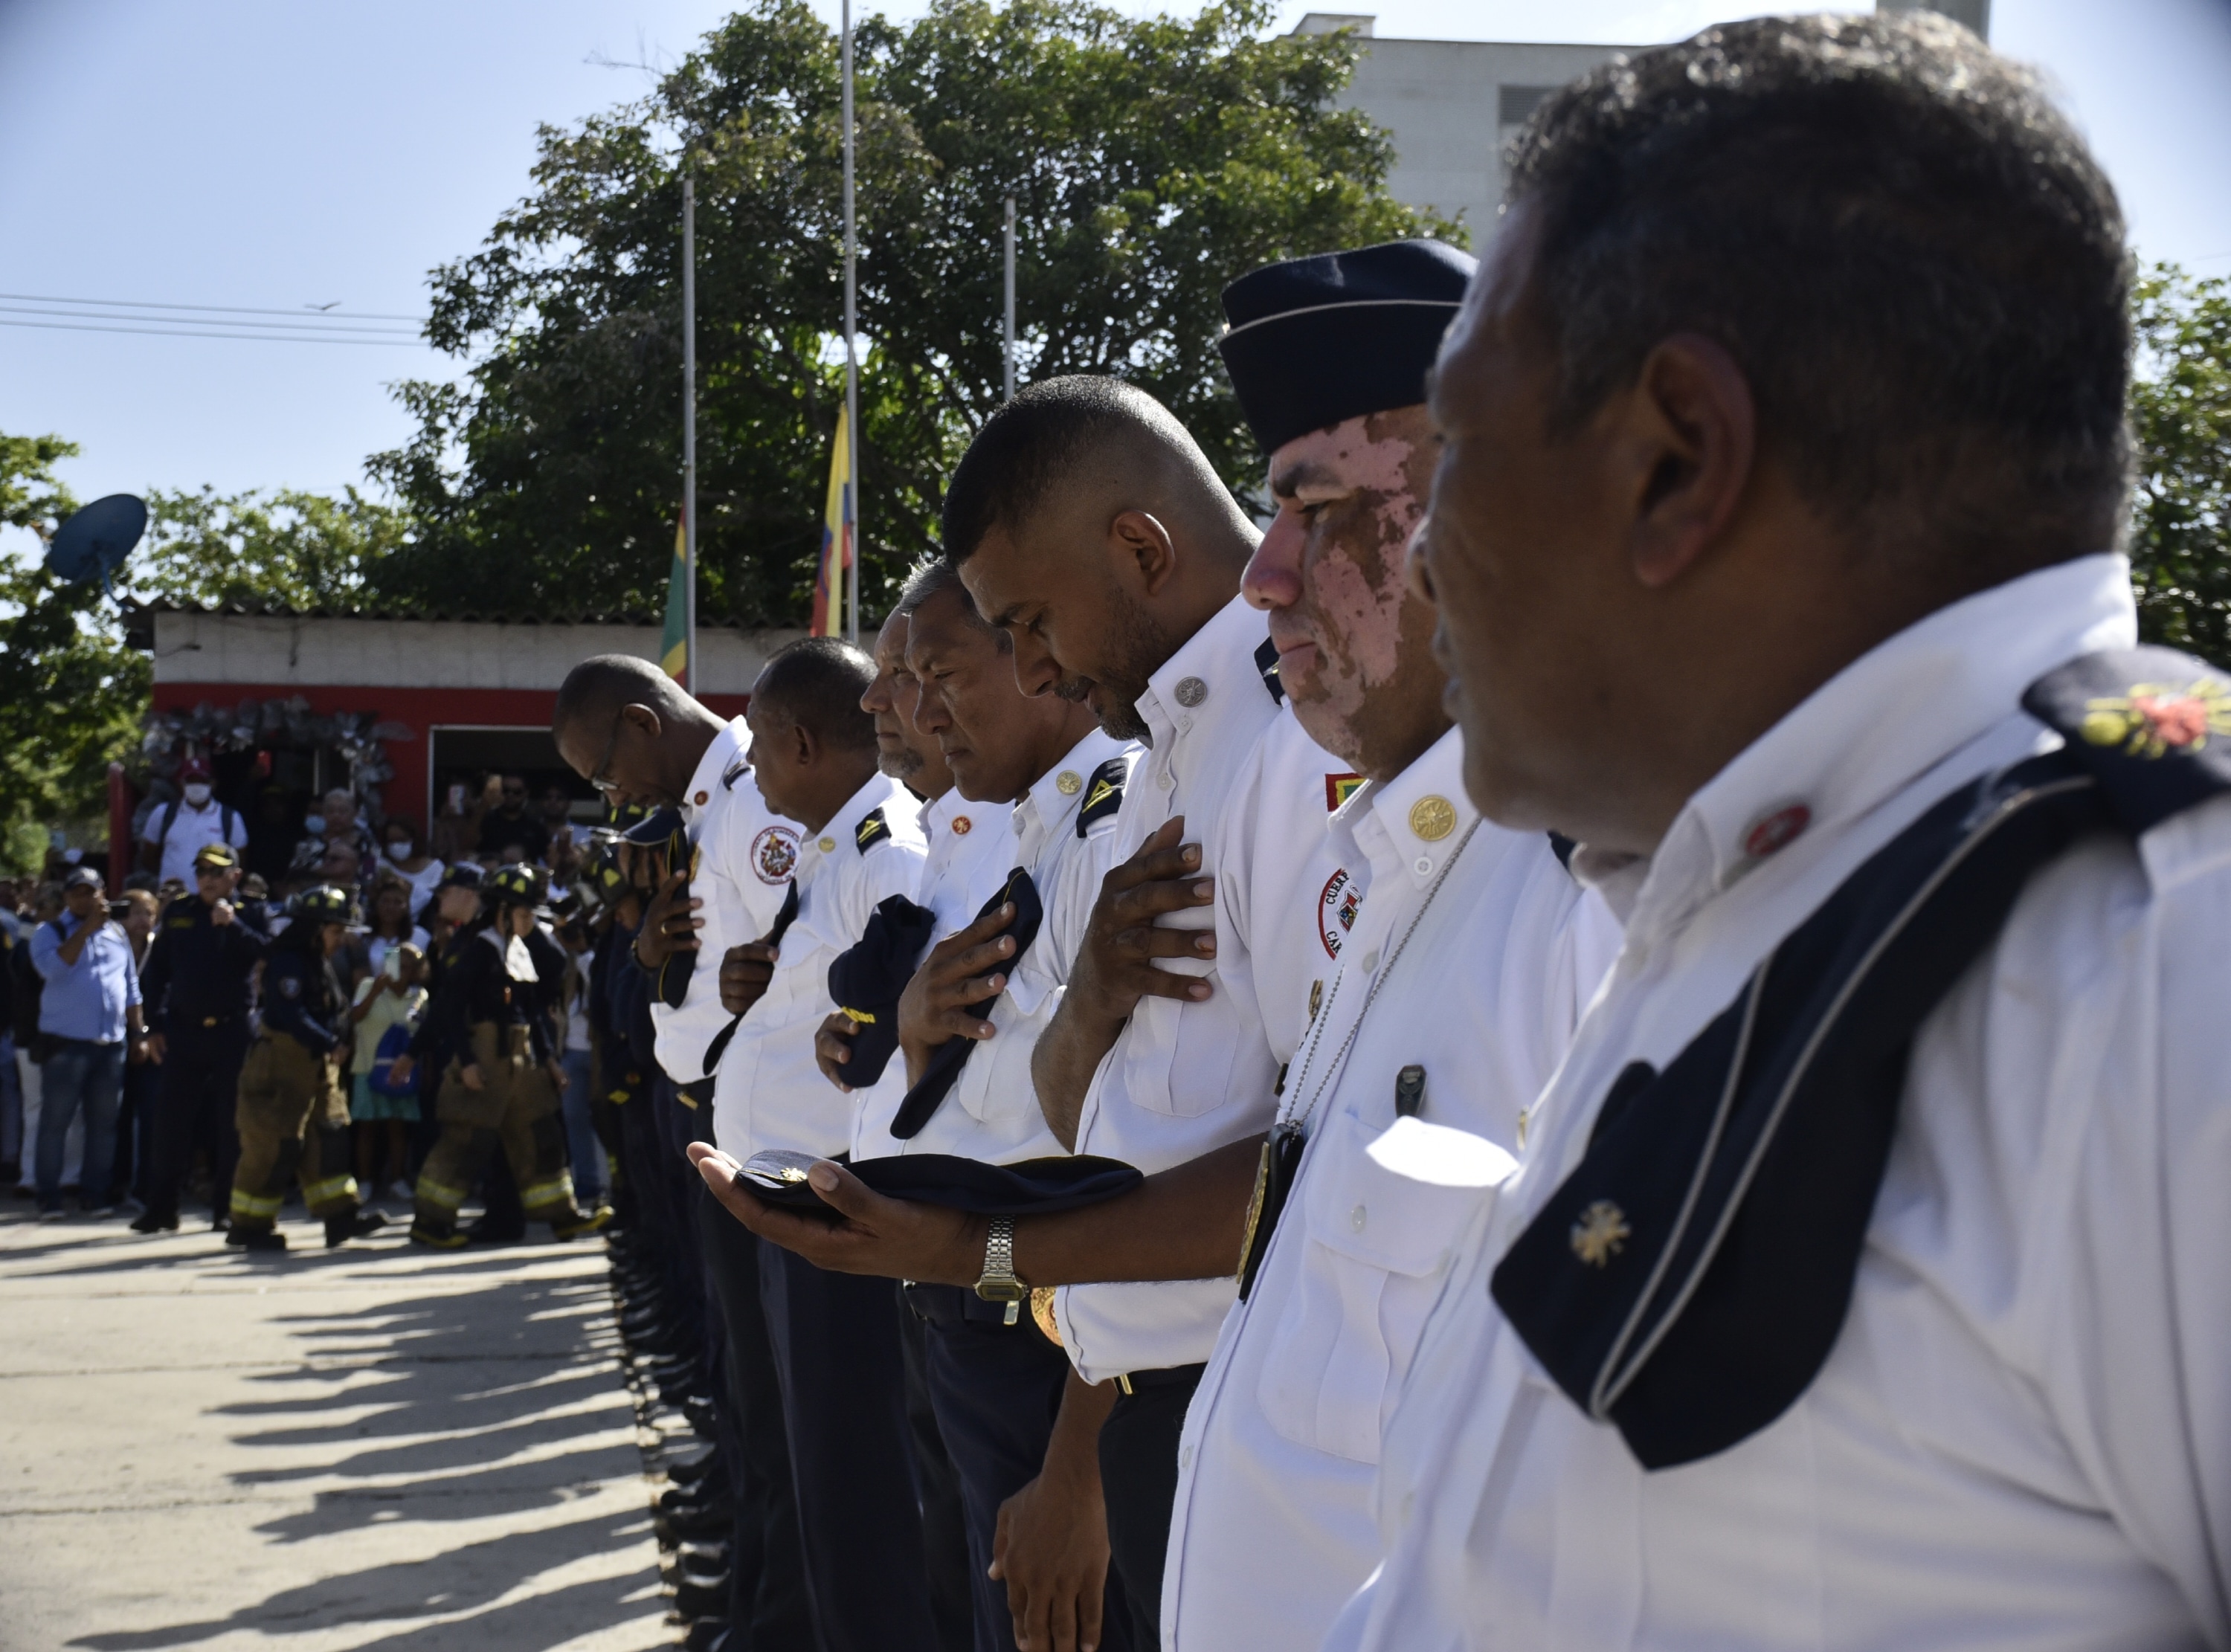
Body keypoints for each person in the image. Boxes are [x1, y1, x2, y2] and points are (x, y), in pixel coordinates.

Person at [1327, 16, 2231, 1651]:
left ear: (1678, 457)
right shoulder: (1743, 887)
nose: (1426, 560)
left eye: (1454, 444)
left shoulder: (2164, 962)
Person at [869, 557, 1140, 1652]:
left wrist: (1078, 1447)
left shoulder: (1116, 822)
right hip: (985, 1292)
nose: (921, 714)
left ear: (1037, 657)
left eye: (941, 676)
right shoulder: (1033, 828)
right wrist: (908, 1024)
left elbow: (1147, 1160)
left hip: (1058, 1327)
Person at [551, 649, 815, 1649]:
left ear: (644, 721)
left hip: (779, 1139)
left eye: (604, 769)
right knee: (752, 1397)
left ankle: (776, 1618)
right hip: (729, 1122)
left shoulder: (754, 799)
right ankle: (757, 1599)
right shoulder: (708, 809)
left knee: (786, 1417)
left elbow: (792, 973)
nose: (612, 795)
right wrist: (658, 960)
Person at [716, 638, 941, 1652]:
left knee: (855, 1485)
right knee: (813, 1467)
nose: (754, 770)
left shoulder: (889, 847)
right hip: (798, 1197)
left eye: (761, 746)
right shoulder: (839, 849)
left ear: (803, 740)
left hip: (843, 1203)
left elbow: (886, 1025)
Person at [401, 863, 607, 1246]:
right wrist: (466, 1063)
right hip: (484, 1057)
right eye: (525, 914)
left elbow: (527, 1011)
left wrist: (549, 1063)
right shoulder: (478, 949)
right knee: (464, 1141)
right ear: (503, 911)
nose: (531, 922)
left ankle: (562, 1216)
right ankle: (430, 1223)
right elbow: (452, 1007)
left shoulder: (517, 951)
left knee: (540, 1135)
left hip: (521, 1059)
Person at [225, 884, 386, 1252]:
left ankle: (340, 1217)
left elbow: (334, 1008)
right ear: (313, 929)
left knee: (329, 1138)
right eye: (334, 931)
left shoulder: (318, 961)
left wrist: (337, 1037)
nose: (341, 939)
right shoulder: (288, 962)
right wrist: (330, 1042)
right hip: (280, 1065)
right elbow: (289, 1013)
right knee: (274, 1146)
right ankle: (249, 1225)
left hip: (316, 1066)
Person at [135, 842, 265, 1233]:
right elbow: (157, 974)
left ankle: (226, 1208)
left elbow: (267, 953)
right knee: (170, 1123)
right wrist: (154, 1026)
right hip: (183, 1031)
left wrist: (234, 925)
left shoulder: (252, 911)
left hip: (232, 1030)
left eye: (216, 872)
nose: (207, 880)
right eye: (202, 872)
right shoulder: (179, 912)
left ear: (235, 877)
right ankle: (162, 1209)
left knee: (231, 1124)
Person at [28, 865, 146, 1218]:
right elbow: (53, 969)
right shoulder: (50, 932)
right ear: (67, 897)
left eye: (91, 892)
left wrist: (138, 1032)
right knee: (56, 1123)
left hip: (111, 1044)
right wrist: (86, 931)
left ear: (102, 894)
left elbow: (130, 986)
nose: (85, 898)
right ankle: (48, 1197)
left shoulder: (116, 933)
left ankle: (95, 1195)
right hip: (66, 1045)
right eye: (77, 892)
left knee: (104, 1125)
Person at [347, 941, 425, 1209]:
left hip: (401, 1071)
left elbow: (423, 1032)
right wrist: (376, 992)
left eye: (407, 968)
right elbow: (355, 1016)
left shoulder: (419, 995)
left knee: (397, 1126)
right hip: (368, 1066)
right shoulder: (368, 985)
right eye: (396, 965)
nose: (400, 972)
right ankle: (366, 1181)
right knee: (367, 1127)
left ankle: (397, 1180)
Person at [140, 755, 249, 886]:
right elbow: (148, 856)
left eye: (202, 781)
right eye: (191, 781)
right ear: (181, 784)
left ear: (212, 784)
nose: (196, 786)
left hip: (213, 899)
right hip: (172, 899)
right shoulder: (163, 813)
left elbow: (240, 860)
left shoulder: (230, 818)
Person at [379, 816, 446, 921]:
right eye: (391, 841)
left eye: (401, 840)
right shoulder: (381, 865)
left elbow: (437, 901)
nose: (396, 845)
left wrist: (407, 886)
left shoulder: (436, 868)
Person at [478, 773, 551, 864]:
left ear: (526, 793)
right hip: (492, 876)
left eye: (517, 792)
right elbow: (465, 848)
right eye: (505, 790)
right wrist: (484, 803)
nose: (510, 795)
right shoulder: (487, 821)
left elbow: (551, 860)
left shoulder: (535, 827)